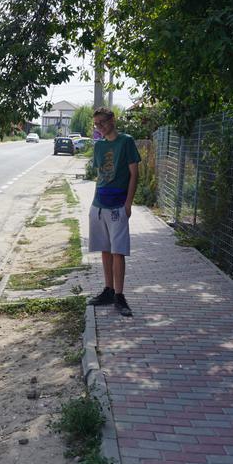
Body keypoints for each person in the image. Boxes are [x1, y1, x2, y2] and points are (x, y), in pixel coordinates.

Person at [87, 107, 140, 317]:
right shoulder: (98, 147)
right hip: (99, 205)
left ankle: (119, 295)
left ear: (112, 120)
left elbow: (134, 175)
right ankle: (108, 290)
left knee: (118, 251)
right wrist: (94, 205)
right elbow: (100, 175)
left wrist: (129, 203)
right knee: (105, 248)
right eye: (96, 124)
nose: (99, 127)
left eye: (102, 122)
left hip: (118, 205)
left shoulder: (126, 142)